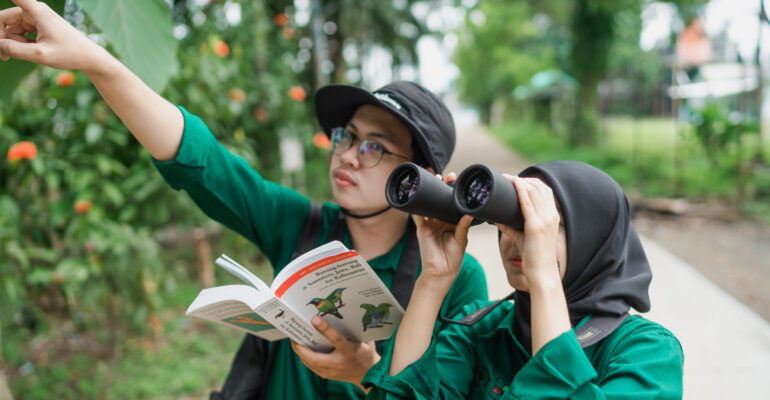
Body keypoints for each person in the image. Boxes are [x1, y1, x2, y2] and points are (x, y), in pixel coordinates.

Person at [0, 1, 489, 399]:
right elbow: (199, 159)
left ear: (417, 177)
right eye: (346, 136)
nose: (346, 156)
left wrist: (367, 376)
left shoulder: (453, 276)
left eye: (374, 147)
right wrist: (93, 59)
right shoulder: (300, 224)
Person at [363, 160, 684, 399]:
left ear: (595, 239)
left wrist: (545, 274)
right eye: (511, 220)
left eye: (545, 224)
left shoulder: (648, 352)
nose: (518, 238)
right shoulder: (479, 328)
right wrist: (432, 278)